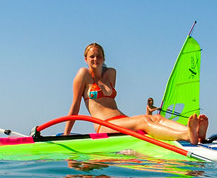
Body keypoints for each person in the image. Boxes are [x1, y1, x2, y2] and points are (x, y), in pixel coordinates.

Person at [65, 42, 209, 141]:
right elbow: (75, 106)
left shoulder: (111, 73)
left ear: (104, 58)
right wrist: (66, 134)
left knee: (157, 118)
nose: (95, 59)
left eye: (99, 56)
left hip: (122, 120)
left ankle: (193, 132)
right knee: (145, 120)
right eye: (92, 56)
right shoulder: (83, 74)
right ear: (85, 59)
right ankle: (186, 135)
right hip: (105, 125)